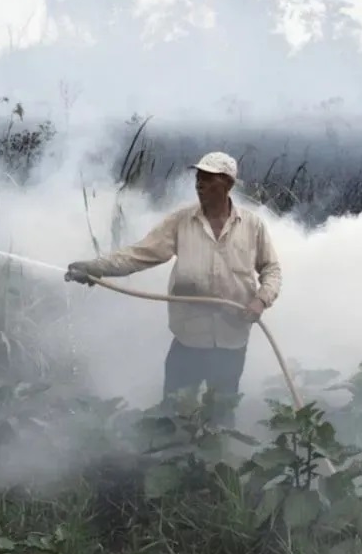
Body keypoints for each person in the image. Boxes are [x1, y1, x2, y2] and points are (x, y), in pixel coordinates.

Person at [65, 151, 282, 424]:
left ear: (227, 184)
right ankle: (173, 448)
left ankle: (218, 450)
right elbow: (139, 254)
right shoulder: (181, 221)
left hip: (232, 340)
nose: (199, 184)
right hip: (188, 339)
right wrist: (95, 268)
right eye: (198, 177)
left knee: (222, 415)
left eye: (208, 178)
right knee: (173, 412)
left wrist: (261, 300)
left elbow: (272, 269)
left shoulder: (252, 225)